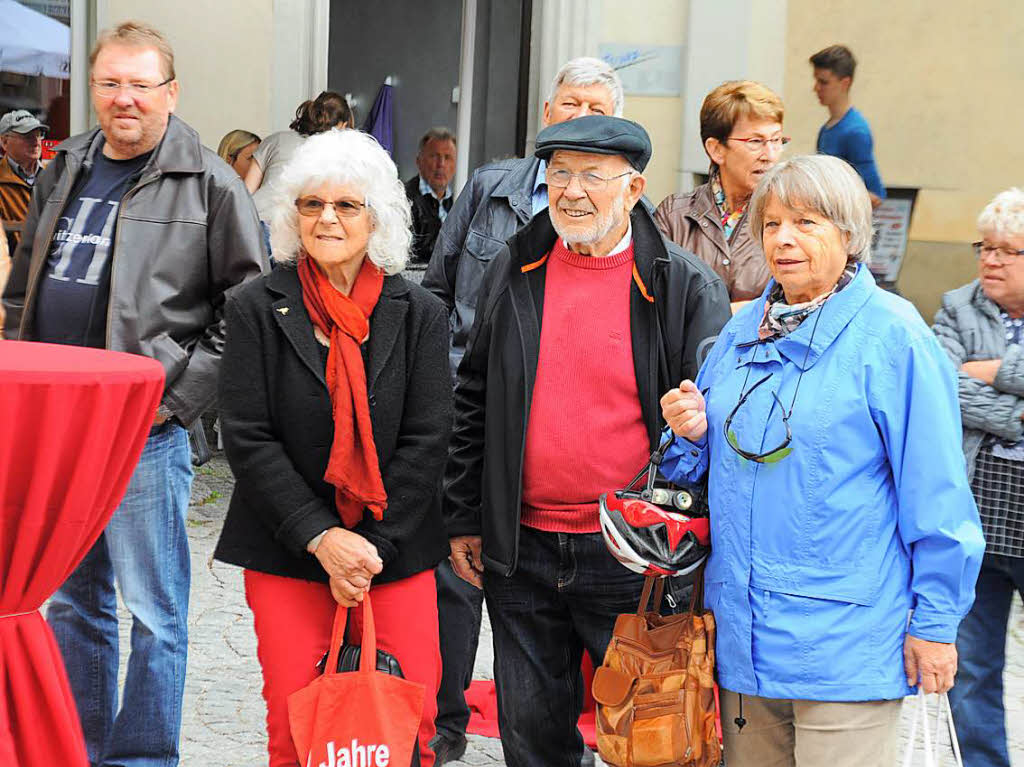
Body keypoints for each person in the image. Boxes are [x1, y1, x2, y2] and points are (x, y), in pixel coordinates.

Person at [658, 154, 984, 767]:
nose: (783, 239)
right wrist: (690, 435)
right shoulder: (740, 331)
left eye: (807, 223)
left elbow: (938, 496)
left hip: (846, 645)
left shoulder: (894, 337)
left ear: (848, 233)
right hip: (743, 638)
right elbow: (697, 473)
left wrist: (936, 623)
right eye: (772, 223)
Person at [1, 21, 267, 767]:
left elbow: (244, 313)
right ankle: (78, 748)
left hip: (142, 434)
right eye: (110, 83)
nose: (124, 99)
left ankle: (143, 757)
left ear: (170, 93)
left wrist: (174, 400)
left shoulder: (209, 183)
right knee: (74, 598)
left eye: (140, 85)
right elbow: (24, 283)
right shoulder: (68, 164)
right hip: (59, 431)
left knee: (154, 611)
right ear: (93, 89)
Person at [443, 115, 731, 767]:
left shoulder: (684, 284)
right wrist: (463, 513)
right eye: (559, 172)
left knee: (653, 743)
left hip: (636, 556)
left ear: (633, 189)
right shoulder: (515, 267)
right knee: (533, 739)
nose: (571, 191)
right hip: (523, 549)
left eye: (591, 176)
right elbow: (474, 394)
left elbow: (722, 421)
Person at [213, 128, 452, 767]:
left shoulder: (421, 312)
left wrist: (368, 546)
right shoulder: (255, 307)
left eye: (346, 205)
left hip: (392, 552)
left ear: (376, 217)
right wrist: (322, 537)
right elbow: (248, 435)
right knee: (296, 729)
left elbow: (429, 437)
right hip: (288, 549)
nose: (327, 218)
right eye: (312, 204)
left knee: (407, 726)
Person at [422, 55, 626, 765]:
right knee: (454, 588)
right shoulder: (490, 192)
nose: (579, 116)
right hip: (473, 428)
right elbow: (439, 293)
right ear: (546, 114)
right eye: (568, 103)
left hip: (583, 484)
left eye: (594, 106)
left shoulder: (641, 235)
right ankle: (444, 723)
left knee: (575, 640)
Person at [934, 187, 1024, 767]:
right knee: (972, 670)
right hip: (979, 518)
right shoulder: (955, 307)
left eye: (1007, 251)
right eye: (983, 248)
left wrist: (998, 371)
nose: (989, 261)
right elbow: (943, 390)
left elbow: (969, 388)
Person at [654, 81, 784, 308]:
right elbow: (655, 301)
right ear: (716, 149)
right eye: (756, 142)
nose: (770, 155)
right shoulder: (674, 215)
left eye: (776, 140)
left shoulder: (787, 216)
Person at [245, 91, 353, 224]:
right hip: (286, 228)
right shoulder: (337, 154)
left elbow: (245, 193)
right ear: (343, 125)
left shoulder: (275, 139)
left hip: (253, 219)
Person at [810, 45, 885, 206]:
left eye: (823, 82)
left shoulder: (855, 131)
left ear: (845, 83)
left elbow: (875, 195)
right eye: (816, 81)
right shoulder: (827, 129)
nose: (816, 88)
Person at [406, 127, 456, 263]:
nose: (441, 164)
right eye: (434, 156)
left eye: (448, 157)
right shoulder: (404, 200)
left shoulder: (458, 202)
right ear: (419, 161)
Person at [0, 109, 47, 254]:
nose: (36, 142)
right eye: (27, 136)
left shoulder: (57, 176)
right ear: (4, 142)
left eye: (38, 135)